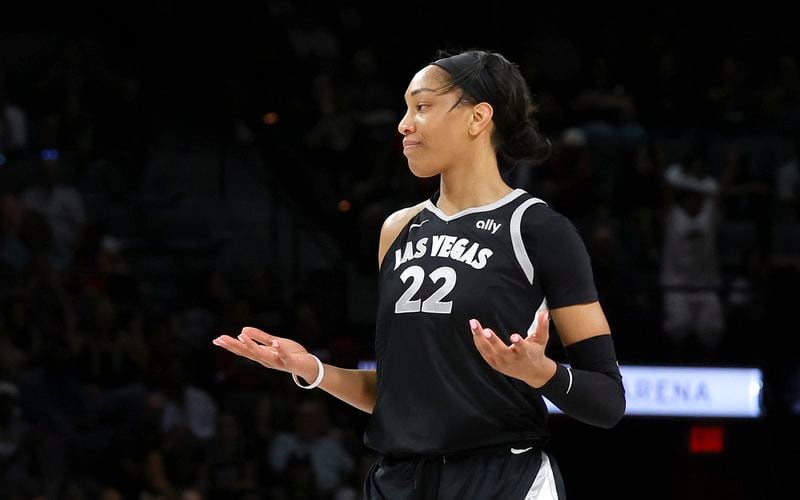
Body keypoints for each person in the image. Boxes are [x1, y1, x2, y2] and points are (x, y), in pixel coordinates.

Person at [213, 48, 626, 499]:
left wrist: (542, 372)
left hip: (501, 478)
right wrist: (310, 369)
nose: (404, 124)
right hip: (399, 481)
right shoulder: (396, 229)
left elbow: (607, 401)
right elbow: (395, 395)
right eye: (406, 108)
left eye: (422, 107)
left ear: (477, 118)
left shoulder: (539, 229)